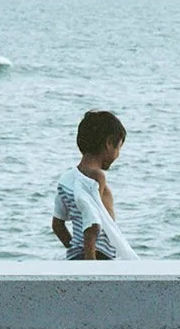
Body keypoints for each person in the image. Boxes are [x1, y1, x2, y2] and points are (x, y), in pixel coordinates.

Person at [50, 110, 138, 261]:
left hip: (78, 255)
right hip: (97, 256)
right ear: (109, 143)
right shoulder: (97, 177)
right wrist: (91, 265)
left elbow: (57, 225)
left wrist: (75, 251)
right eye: (119, 148)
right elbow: (92, 222)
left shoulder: (67, 179)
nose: (118, 155)